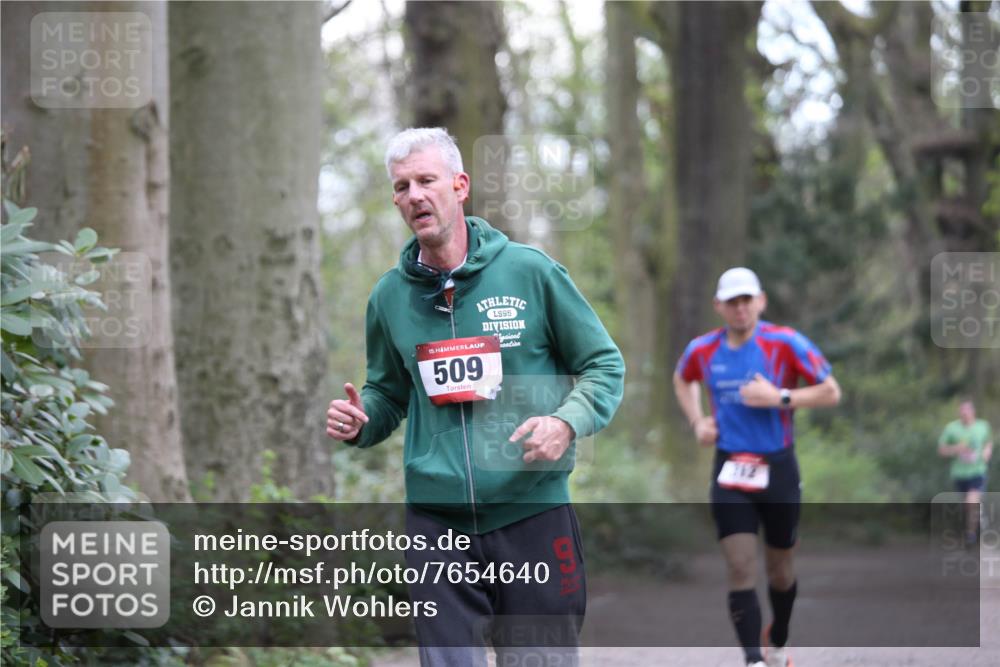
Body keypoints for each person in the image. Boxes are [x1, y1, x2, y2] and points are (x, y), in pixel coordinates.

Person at [326, 127, 625, 666]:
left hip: (530, 512)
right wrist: (362, 419)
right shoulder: (389, 297)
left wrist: (566, 422)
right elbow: (387, 393)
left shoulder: (529, 272)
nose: (413, 194)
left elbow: (603, 364)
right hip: (436, 523)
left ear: (459, 186)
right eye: (401, 187)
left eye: (426, 180)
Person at [672, 267, 841, 667]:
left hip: (778, 467)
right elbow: (682, 379)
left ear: (760, 301)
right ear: (719, 307)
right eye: (732, 302)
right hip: (730, 469)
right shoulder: (703, 349)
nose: (741, 308)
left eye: (747, 300)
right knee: (739, 563)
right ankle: (753, 660)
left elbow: (831, 392)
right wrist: (698, 421)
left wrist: (780, 397)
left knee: (780, 570)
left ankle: (778, 637)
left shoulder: (786, 343)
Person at [938, 398, 993, 546]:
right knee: (967, 505)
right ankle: (977, 521)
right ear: (959, 413)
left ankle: (970, 535)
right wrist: (957, 449)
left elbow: (988, 441)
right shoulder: (951, 428)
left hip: (978, 471)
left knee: (971, 501)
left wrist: (987, 451)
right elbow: (942, 450)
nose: (964, 415)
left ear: (972, 412)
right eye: (962, 412)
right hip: (960, 474)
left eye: (967, 412)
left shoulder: (982, 426)